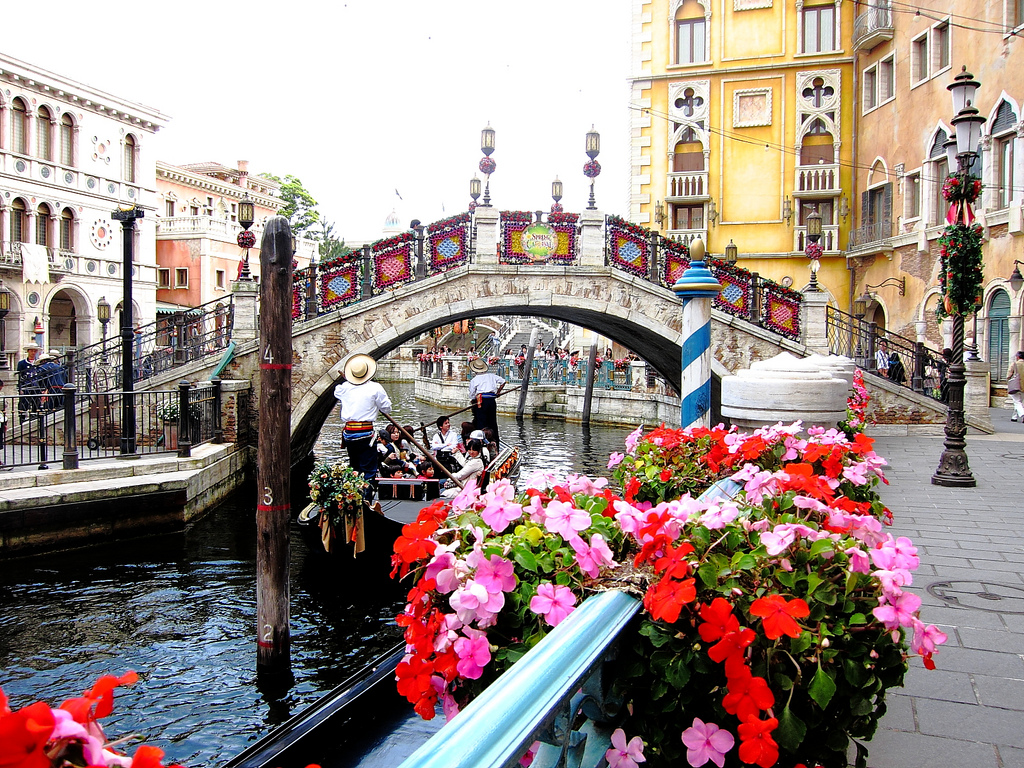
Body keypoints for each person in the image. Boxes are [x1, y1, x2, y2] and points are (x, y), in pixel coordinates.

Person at [334, 354, 392, 494]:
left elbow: (337, 393)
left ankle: (354, 498)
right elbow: (387, 408)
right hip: (365, 434)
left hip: (349, 434)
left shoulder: (344, 387)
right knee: (368, 470)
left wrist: (350, 384)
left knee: (355, 468)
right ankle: (366, 500)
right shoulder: (375, 388)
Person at [468, 357, 506, 449]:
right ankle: (495, 441)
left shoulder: (474, 380)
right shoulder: (491, 376)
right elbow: (503, 381)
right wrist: (498, 392)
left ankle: (481, 443)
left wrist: (473, 401)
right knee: (492, 422)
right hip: (491, 401)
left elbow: (472, 394)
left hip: (481, 402)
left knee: (481, 422)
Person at [17, 344, 41, 422]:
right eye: (31, 351)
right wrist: (20, 387)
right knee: (23, 403)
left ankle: (34, 419)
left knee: (35, 404)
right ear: (28, 351)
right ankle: (22, 420)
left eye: (34, 351)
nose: (33, 353)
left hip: (36, 387)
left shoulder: (38, 363)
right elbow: (19, 376)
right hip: (25, 386)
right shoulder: (22, 363)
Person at [1008, 350, 1024, 422]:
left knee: (1017, 402)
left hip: (1016, 385)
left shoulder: (1014, 364)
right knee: (1020, 402)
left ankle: (1023, 414)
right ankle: (1014, 417)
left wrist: (1008, 380)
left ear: (1018, 357)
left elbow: (1009, 375)